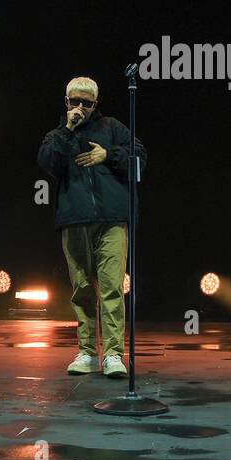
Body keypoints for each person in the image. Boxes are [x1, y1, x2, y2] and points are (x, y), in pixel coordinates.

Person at [36, 76, 147, 378]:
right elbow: (47, 161)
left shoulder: (113, 128)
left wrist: (108, 155)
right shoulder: (59, 134)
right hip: (74, 220)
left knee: (111, 287)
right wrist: (68, 129)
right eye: (76, 102)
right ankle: (86, 352)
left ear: (95, 104)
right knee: (82, 289)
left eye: (87, 103)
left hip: (112, 220)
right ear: (67, 102)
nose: (81, 107)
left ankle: (113, 354)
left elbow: (140, 161)